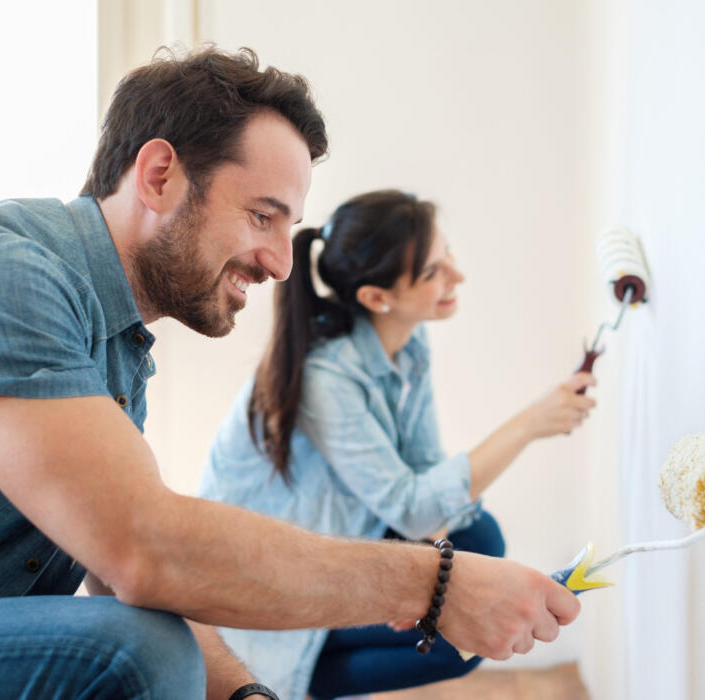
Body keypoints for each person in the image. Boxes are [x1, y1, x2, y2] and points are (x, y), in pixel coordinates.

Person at [0, 47, 580, 700]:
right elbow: (143, 550)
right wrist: (434, 585)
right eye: (261, 217)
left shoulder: (117, 351)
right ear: (159, 176)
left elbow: (120, 570)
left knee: (151, 634)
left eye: (290, 228)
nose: (281, 264)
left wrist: (246, 692)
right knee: (133, 649)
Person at [199, 189, 597, 699]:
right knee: (463, 619)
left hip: (342, 539)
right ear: (376, 298)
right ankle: (291, 673)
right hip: (270, 586)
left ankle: (344, 646)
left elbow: (426, 474)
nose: (456, 275)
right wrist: (528, 425)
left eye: (446, 253)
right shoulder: (326, 378)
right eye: (433, 272)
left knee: (478, 543)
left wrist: (423, 579)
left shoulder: (408, 345)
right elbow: (412, 510)